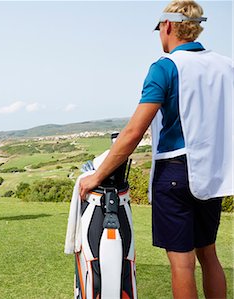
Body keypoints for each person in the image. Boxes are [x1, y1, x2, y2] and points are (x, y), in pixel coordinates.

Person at [79, 0, 232, 298]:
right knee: (209, 255)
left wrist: (97, 176)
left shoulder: (165, 68)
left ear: (168, 25)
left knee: (182, 264)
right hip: (213, 172)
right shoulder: (227, 65)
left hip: (175, 173)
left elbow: (134, 131)